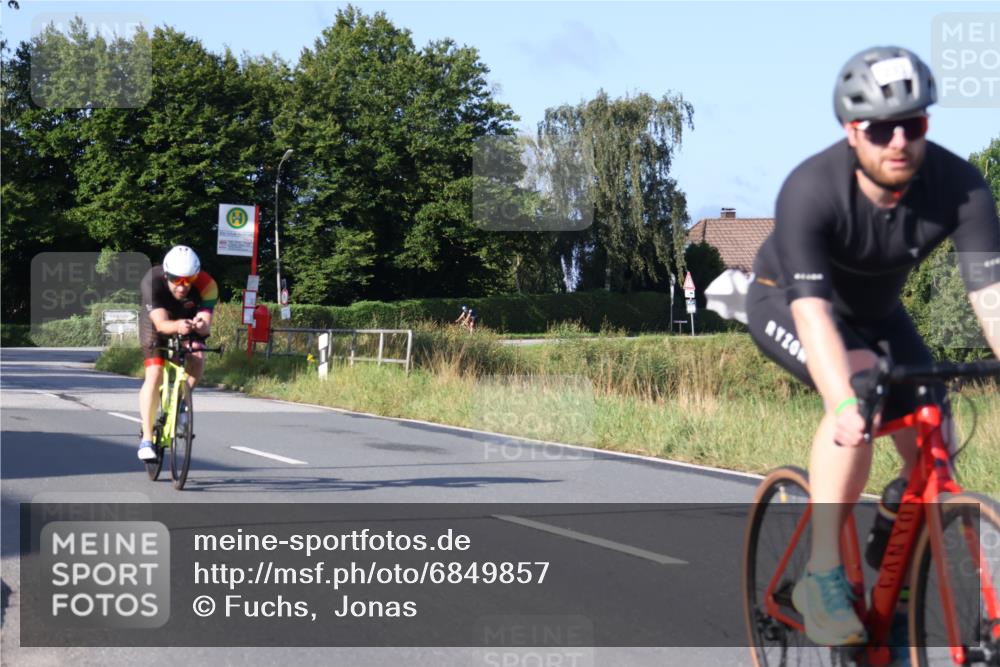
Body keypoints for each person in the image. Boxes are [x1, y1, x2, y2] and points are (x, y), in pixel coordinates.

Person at [747, 45, 1000, 651]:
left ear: (927, 126)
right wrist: (841, 405)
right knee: (859, 398)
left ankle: (894, 553)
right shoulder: (811, 190)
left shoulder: (961, 188)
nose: (897, 141)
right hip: (786, 302)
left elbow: (992, 297)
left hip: (879, 314)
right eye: (881, 128)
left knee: (931, 425)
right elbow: (812, 317)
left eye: (911, 125)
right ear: (851, 131)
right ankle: (823, 576)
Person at [137, 245, 218, 461]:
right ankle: (146, 438)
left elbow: (206, 325)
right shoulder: (152, 282)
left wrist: (201, 325)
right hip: (157, 322)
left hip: (187, 319)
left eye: (188, 280)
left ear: (196, 276)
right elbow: (162, 325)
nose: (182, 286)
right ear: (166, 274)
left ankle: (181, 401)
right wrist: (178, 326)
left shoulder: (208, 285)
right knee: (154, 374)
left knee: (198, 358)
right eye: (176, 279)